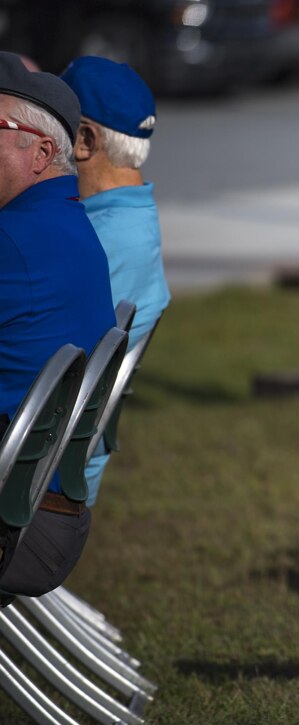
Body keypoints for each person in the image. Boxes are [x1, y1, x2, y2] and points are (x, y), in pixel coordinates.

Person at [0, 51, 115, 596]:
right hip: (43, 506)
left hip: (17, 521)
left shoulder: (17, 243)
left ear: (41, 151)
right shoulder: (63, 225)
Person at [60, 56, 171, 506]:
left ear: (85, 139)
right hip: (61, 470)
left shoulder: (99, 242)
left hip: (38, 484)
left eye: (50, 124)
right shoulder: (133, 219)